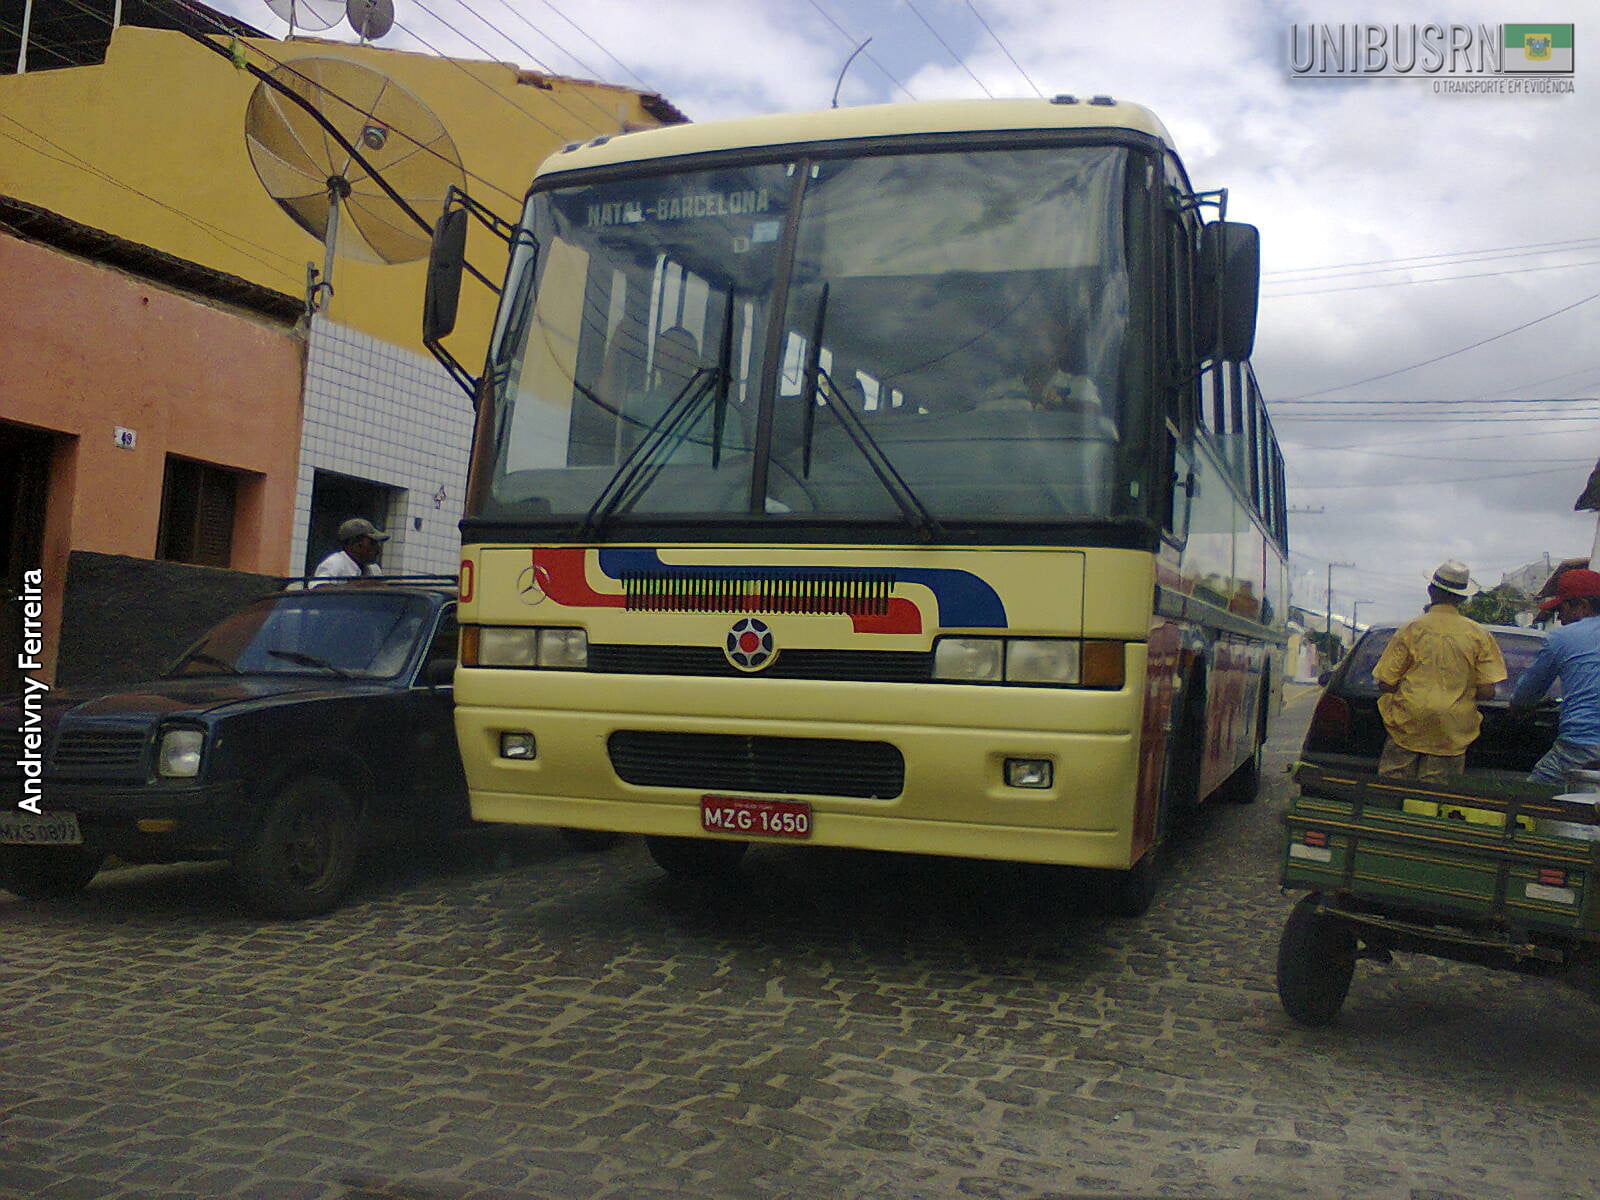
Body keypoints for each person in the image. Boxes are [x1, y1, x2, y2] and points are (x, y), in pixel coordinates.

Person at [1370, 559, 1506, 782]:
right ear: (1462, 598)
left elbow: (1386, 682)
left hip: (1408, 723)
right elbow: (1487, 691)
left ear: (1430, 591)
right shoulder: (1479, 635)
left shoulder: (1411, 629)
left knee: (1391, 787)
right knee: (1437, 796)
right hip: (1452, 731)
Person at [1510, 567, 1600, 783]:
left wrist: (1519, 709)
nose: (1559, 617)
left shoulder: (1562, 637)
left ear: (1582, 606)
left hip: (1579, 747)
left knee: (1529, 800)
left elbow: (1525, 697)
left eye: (1562, 608)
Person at [312, 518, 389, 583]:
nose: (378, 549)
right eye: (372, 543)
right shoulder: (334, 563)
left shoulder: (374, 569)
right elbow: (317, 590)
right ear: (356, 545)